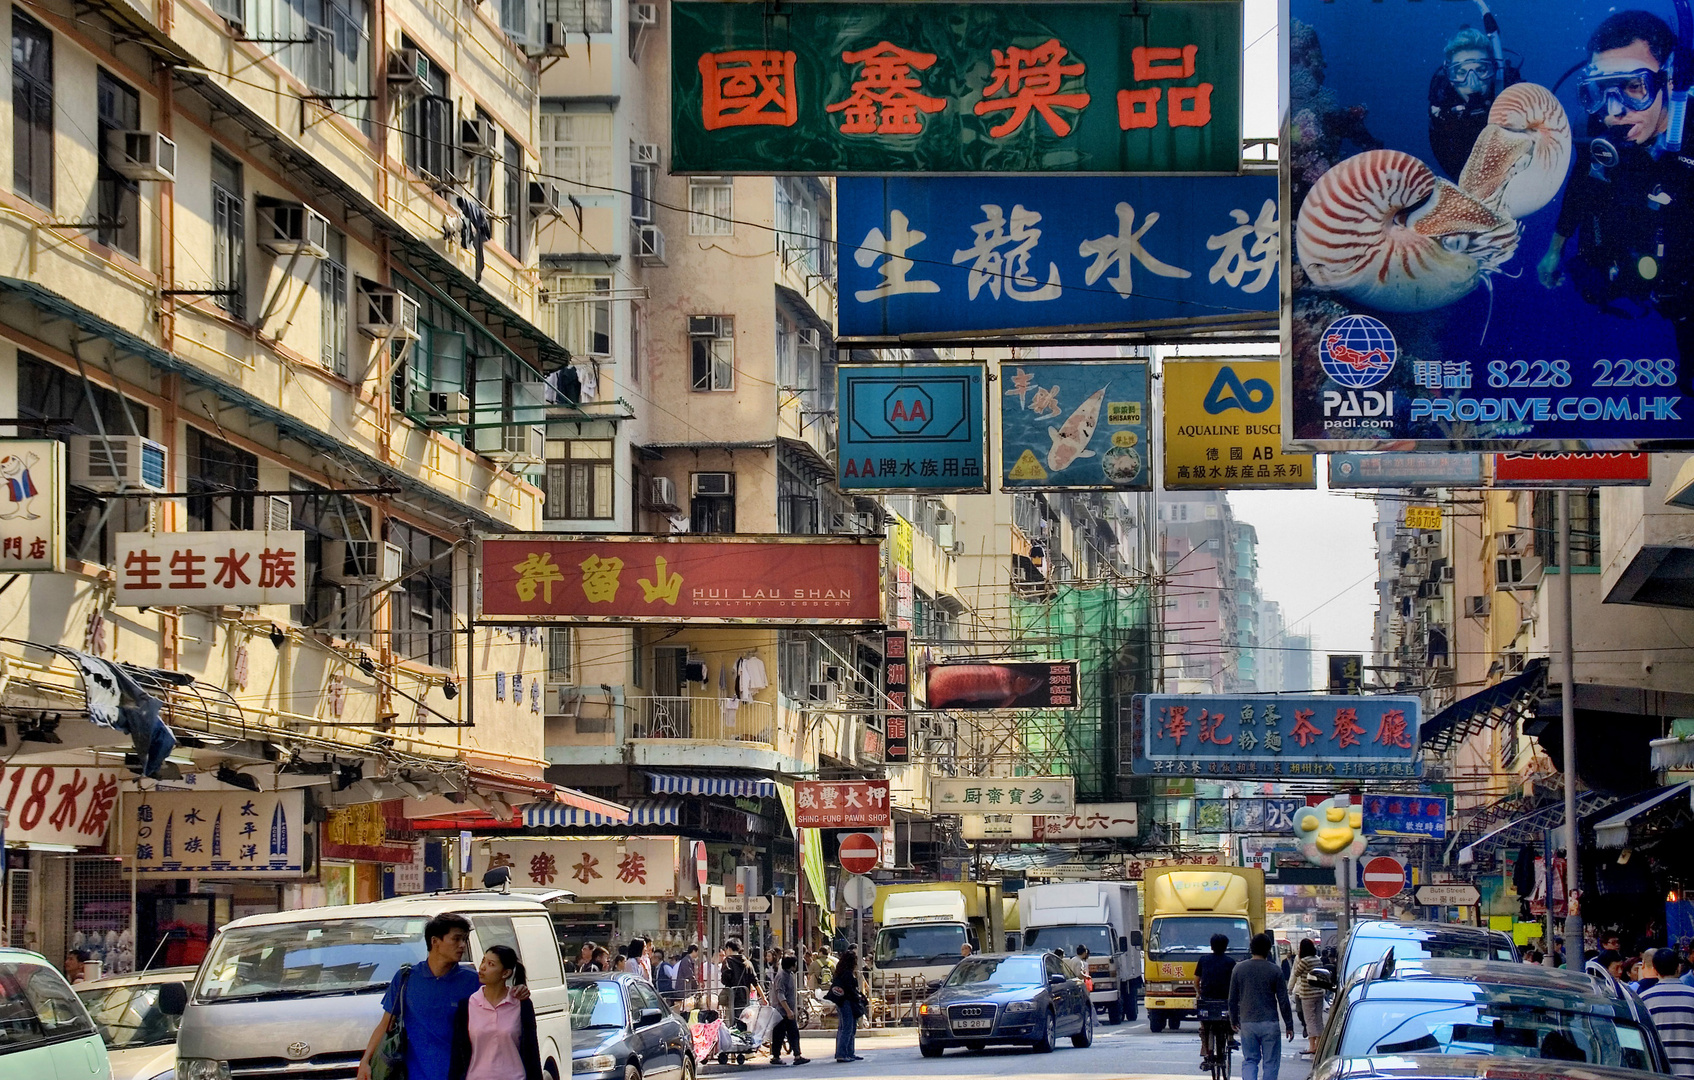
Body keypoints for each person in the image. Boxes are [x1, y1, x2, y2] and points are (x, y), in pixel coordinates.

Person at [1538, 10, 1694, 373]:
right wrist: (1553, 251)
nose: (1614, 111)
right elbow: (1580, 186)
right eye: (1599, 92)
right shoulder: (1600, 128)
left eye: (1634, 87)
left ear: (1670, 81)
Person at [358, 913, 530, 1080]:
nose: (462, 945)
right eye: (456, 939)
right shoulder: (406, 978)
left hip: (460, 1073)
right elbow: (385, 1024)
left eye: (464, 939)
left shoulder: (472, 981)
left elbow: (501, 1003)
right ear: (435, 942)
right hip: (415, 1074)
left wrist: (518, 990)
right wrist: (366, 1061)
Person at [1427, 26, 1522, 178]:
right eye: (1461, 72)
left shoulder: (1514, 96)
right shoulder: (1442, 109)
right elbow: (1448, 162)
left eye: (1480, 70)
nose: (1472, 83)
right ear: (1450, 78)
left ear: (1494, 70)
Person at [448, 945, 542, 1080]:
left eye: (491, 964)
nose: (483, 967)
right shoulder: (467, 1005)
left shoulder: (521, 1004)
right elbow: (458, 1056)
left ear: (506, 973)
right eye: (483, 961)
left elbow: (532, 1052)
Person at [1228, 933, 1294, 1080]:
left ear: (1251, 948)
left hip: (1247, 1022)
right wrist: (1289, 1024)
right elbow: (1283, 1000)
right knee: (1271, 1062)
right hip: (1270, 1023)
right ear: (1268, 950)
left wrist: (1233, 1020)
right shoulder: (1275, 970)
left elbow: (1232, 999)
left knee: (1250, 1060)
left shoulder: (1239, 969)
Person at [1642, 949, 1694, 1077]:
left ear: (1654, 970)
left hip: (1659, 1073)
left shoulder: (1644, 999)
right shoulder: (1692, 996)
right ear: (1679, 968)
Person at [1196, 933, 1238, 1070]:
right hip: (1225, 1001)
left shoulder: (1203, 960)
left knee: (1205, 1027)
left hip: (1207, 1001)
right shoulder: (1231, 962)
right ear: (1226, 947)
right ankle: (1231, 1038)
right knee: (1228, 1020)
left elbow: (1196, 980)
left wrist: (1199, 993)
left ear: (1211, 946)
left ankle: (1206, 1053)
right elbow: (1234, 983)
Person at [770, 954, 809, 1066]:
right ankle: (776, 1056)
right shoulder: (782, 977)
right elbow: (780, 994)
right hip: (781, 1012)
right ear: (792, 965)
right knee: (779, 1034)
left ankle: (797, 1055)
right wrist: (788, 1010)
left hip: (788, 1011)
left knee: (793, 1033)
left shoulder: (790, 975)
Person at [829, 948, 866, 1064]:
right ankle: (842, 1053)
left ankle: (848, 1052)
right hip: (847, 1002)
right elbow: (850, 990)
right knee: (847, 1028)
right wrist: (858, 997)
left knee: (846, 1027)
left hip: (842, 1002)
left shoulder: (840, 972)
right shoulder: (847, 974)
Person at [1290, 939, 1326, 1057]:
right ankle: (1320, 1044)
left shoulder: (1304, 961)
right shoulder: (1317, 959)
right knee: (1318, 1019)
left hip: (1307, 994)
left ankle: (1312, 1046)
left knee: (1309, 1020)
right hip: (1319, 993)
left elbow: (1297, 973)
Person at [721, 940, 753, 1021]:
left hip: (732, 995)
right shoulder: (747, 962)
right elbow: (755, 981)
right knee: (744, 1020)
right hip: (745, 996)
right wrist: (763, 997)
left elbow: (725, 979)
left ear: (729, 948)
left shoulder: (728, 961)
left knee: (733, 1019)